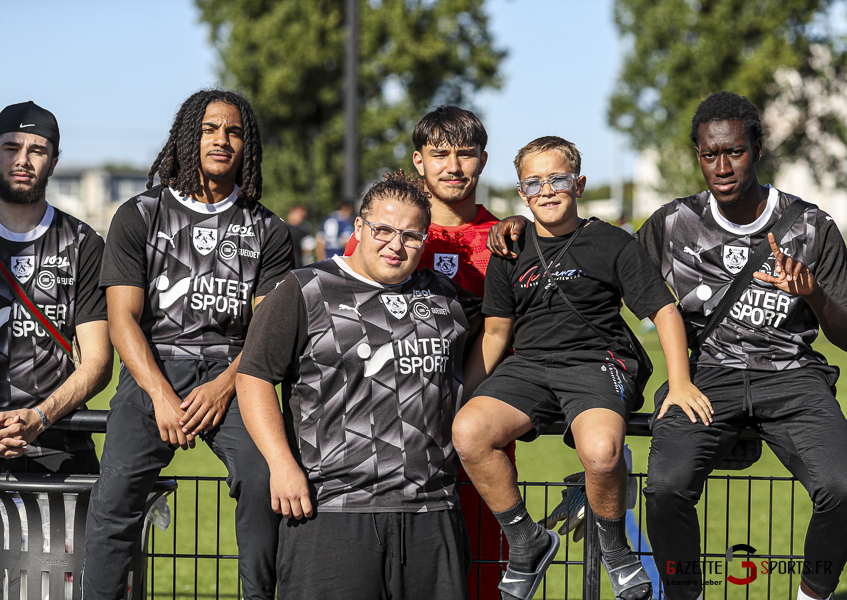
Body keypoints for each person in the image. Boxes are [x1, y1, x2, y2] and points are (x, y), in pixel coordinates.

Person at [487, 93, 847, 600]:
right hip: (708, 378)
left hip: (792, 375)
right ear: (697, 155)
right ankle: (685, 595)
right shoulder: (674, 221)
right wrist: (527, 231)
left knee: (842, 486)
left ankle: (812, 593)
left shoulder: (812, 226)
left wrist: (814, 294)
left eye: (735, 152)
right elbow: (600, 261)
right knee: (666, 488)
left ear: (758, 150)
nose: (722, 166)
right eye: (709, 154)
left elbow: (845, 335)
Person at [453, 136, 706, 600]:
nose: (547, 190)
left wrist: (681, 381)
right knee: (468, 433)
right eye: (534, 182)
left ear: (580, 183)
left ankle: (616, 549)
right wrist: (458, 396)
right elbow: (494, 335)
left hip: (597, 363)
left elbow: (664, 312)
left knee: (602, 451)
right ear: (521, 192)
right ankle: (527, 543)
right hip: (528, 368)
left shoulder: (611, 242)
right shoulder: (509, 248)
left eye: (558, 179)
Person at [82, 89, 293, 600]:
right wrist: (159, 396)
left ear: (248, 145)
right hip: (153, 367)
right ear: (187, 135)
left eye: (235, 131)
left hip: (236, 373)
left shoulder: (269, 230)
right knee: (113, 502)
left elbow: (267, 334)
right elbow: (122, 319)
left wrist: (224, 388)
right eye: (210, 128)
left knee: (265, 481)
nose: (222, 139)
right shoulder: (139, 215)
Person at [237, 171, 476, 600]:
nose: (395, 244)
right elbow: (254, 377)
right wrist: (280, 463)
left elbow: (493, 344)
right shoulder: (305, 289)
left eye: (411, 235)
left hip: (432, 508)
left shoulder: (448, 300)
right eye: (383, 230)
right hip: (330, 508)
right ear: (360, 228)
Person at [0, 101, 112, 600]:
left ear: (54, 161)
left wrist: (41, 415)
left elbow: (99, 361)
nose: (23, 158)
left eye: (37, 150)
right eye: (12, 148)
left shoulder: (83, 244)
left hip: (60, 456)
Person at [344, 105, 509, 599]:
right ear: (419, 161)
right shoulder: (396, 235)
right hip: (388, 431)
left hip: (475, 424)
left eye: (465, 154)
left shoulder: (506, 239)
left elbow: (503, 334)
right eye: (439, 154)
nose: (453, 166)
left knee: (480, 570)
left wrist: (460, 398)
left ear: (483, 159)